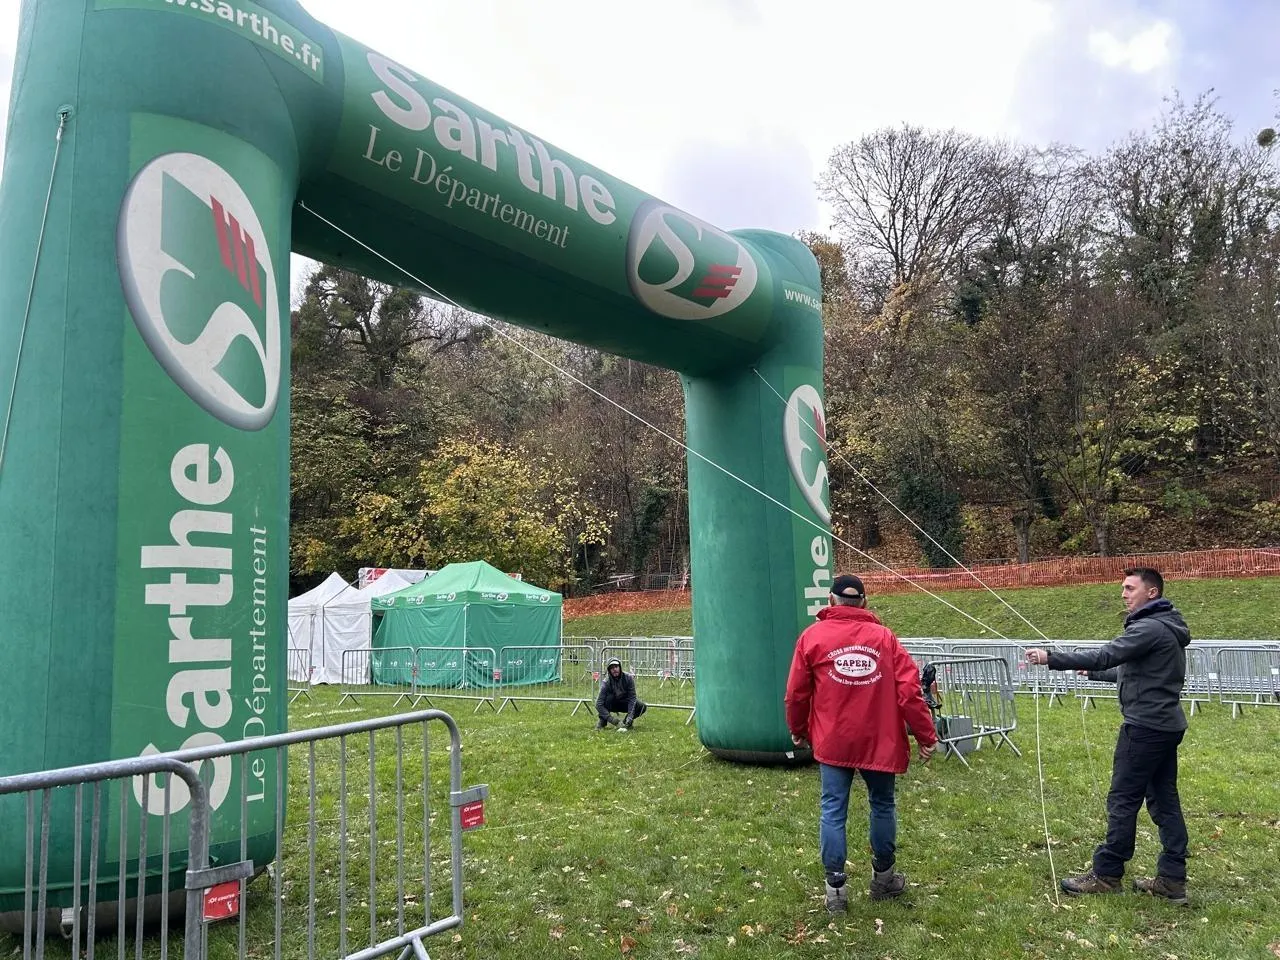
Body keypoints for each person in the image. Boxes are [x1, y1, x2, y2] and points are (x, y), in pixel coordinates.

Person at [1026, 566, 1191, 905]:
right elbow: (1135, 672)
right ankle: (1172, 879)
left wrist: (1050, 658)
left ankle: (1107, 874)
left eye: (1130, 588)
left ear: (1152, 592)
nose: (1123, 594)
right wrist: (1094, 673)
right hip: (1165, 725)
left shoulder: (1149, 628)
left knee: (1122, 800)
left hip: (1145, 728)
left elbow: (1106, 654)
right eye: (1123, 588)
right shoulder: (1166, 627)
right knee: (1164, 800)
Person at [784, 574, 938, 912]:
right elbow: (910, 693)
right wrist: (926, 735)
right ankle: (884, 879)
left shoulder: (812, 637)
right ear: (865, 603)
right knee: (882, 805)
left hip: (833, 741)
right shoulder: (885, 638)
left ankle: (835, 891)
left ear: (830, 601)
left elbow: (796, 693)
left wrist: (797, 729)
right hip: (879, 740)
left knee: (832, 810)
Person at [595, 657, 647, 732]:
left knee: (641, 706)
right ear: (609, 670)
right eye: (612, 668)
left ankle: (626, 722)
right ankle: (602, 721)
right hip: (612, 704)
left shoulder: (628, 678)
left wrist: (630, 716)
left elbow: (632, 698)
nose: (614, 669)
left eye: (616, 666)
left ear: (620, 667)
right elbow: (598, 704)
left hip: (624, 703)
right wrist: (612, 720)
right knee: (608, 698)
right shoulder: (606, 682)